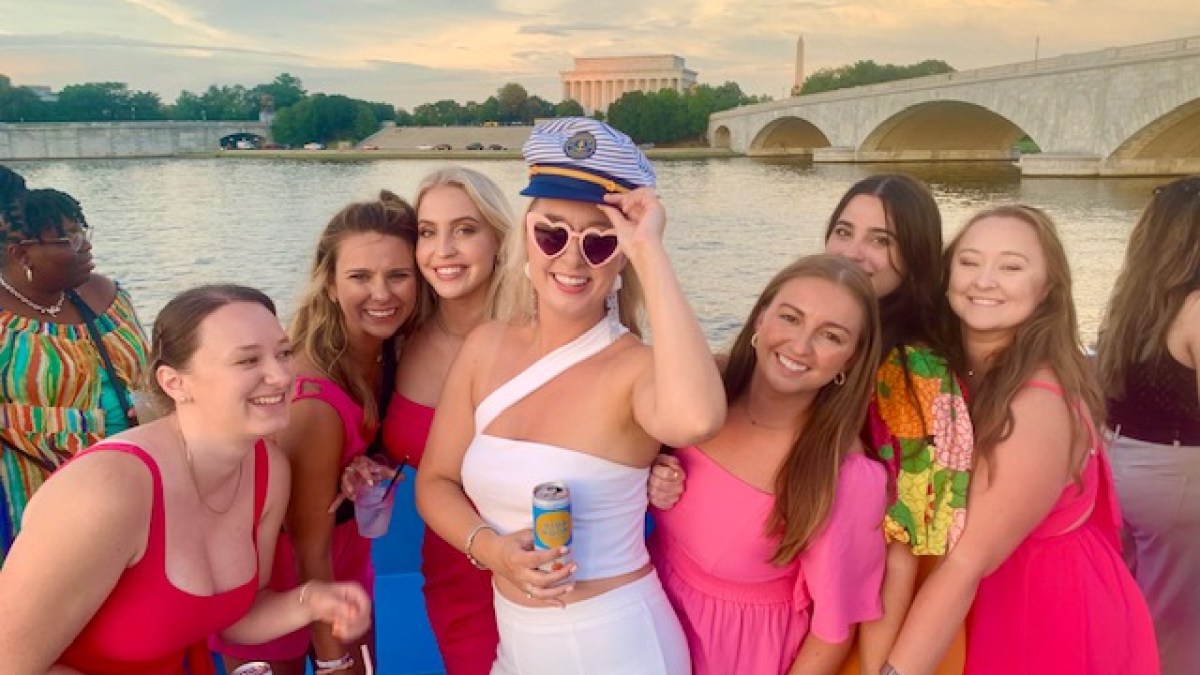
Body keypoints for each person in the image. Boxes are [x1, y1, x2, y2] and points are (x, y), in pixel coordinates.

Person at [415, 117, 726, 675]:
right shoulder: (485, 347)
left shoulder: (634, 369)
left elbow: (697, 416)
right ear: (526, 238)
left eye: (600, 242)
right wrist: (491, 551)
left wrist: (649, 251)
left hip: (617, 646)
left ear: (622, 256)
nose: (572, 259)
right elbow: (435, 481)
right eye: (552, 233)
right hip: (515, 643)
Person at [0, 284, 371, 674]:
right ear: (175, 383)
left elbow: (235, 615)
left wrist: (312, 601)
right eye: (248, 361)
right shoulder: (108, 489)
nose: (280, 376)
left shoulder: (268, 469)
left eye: (283, 354)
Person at [884, 205, 1159, 675]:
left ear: (1047, 287)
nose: (984, 280)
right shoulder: (951, 370)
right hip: (970, 603)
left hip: (1038, 612)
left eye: (1011, 266)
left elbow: (967, 561)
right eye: (970, 261)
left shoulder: (1034, 404)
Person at [214, 192, 424, 675]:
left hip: (347, 569)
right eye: (359, 277)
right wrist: (335, 660)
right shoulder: (314, 399)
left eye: (398, 275)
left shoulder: (390, 353)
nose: (382, 294)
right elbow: (308, 548)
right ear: (329, 284)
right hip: (281, 591)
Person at [649, 255, 888, 675]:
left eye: (831, 336)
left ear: (850, 360)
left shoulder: (842, 475)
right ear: (761, 319)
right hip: (642, 627)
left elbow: (832, 633)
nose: (799, 346)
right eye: (791, 318)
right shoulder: (705, 391)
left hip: (734, 658)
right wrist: (650, 473)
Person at [342, 166, 512, 674]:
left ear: (500, 238)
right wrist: (366, 464)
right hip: (453, 572)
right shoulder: (401, 338)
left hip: (543, 567)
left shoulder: (541, 333)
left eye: (465, 229)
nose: (444, 250)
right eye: (428, 232)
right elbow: (404, 443)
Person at [823, 175, 972, 675]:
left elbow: (902, 547)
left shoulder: (913, 369)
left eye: (881, 240)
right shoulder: (840, 332)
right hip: (836, 599)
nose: (854, 252)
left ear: (915, 255)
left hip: (879, 628)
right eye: (844, 232)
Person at [0, 166, 149, 559]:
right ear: (21, 252)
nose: (85, 246)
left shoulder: (109, 296)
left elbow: (152, 376)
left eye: (84, 231)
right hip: (31, 495)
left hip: (131, 482)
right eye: (68, 238)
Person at [1096, 175, 1200, 675]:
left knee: (1131, 605)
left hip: (1118, 467)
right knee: (1178, 627)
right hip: (1177, 481)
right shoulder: (1198, 308)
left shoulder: (1132, 304)